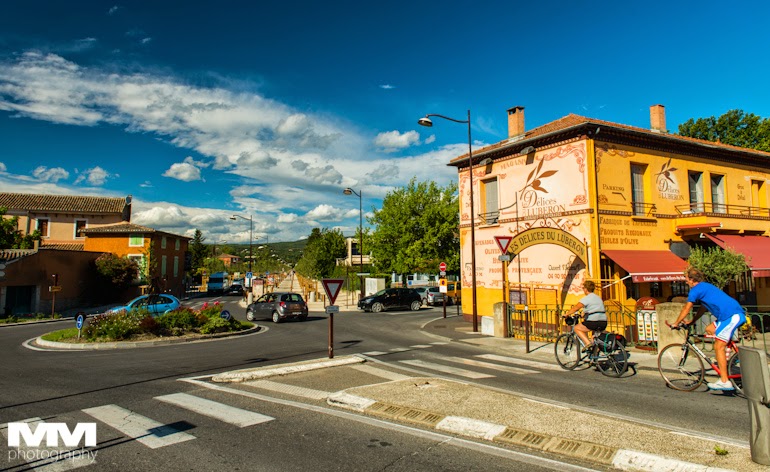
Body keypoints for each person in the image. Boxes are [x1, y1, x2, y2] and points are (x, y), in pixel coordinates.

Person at [671, 267, 746, 391]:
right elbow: (703, 308)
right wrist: (692, 321)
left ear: (692, 279)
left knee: (718, 346)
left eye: (686, 279)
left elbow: (686, 308)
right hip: (726, 316)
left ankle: (724, 381)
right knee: (709, 329)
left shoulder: (695, 290)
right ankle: (728, 353)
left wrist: (676, 323)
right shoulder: (705, 286)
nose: (686, 282)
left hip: (731, 316)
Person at [563, 280, 607, 352]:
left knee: (576, 328)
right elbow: (593, 308)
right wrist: (584, 313)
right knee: (594, 338)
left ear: (586, 289)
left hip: (593, 322)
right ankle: (594, 356)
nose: (583, 290)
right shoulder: (598, 298)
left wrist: (567, 314)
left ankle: (587, 343)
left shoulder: (587, 298)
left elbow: (576, 308)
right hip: (603, 322)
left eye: (583, 288)